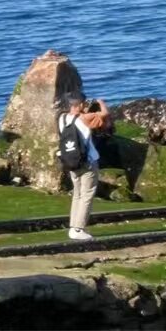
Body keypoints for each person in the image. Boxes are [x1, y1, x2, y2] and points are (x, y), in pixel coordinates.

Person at [58, 92, 110, 241]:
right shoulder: (85, 118)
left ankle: (73, 227)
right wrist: (100, 102)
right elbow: (105, 114)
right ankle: (78, 229)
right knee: (87, 195)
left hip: (71, 161)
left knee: (77, 194)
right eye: (84, 103)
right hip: (88, 162)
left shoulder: (62, 118)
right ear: (79, 105)